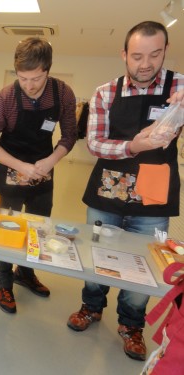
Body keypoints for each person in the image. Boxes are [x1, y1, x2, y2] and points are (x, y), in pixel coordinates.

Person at [66, 21, 184, 362]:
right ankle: (91, 307)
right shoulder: (105, 92)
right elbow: (95, 143)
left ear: (165, 52)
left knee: (147, 263)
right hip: (108, 191)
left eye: (154, 54)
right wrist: (133, 144)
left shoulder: (179, 86)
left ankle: (131, 325)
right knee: (97, 255)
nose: (145, 63)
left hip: (154, 195)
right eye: (136, 56)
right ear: (124, 55)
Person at [0, 37, 77, 314]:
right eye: (23, 78)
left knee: (38, 225)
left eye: (36, 78)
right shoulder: (4, 99)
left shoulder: (62, 93)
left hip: (44, 169)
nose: (30, 85)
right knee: (6, 227)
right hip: (9, 168)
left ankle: (26, 272)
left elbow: (70, 135)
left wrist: (50, 161)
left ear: (48, 69)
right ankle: (4, 282)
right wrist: (20, 166)